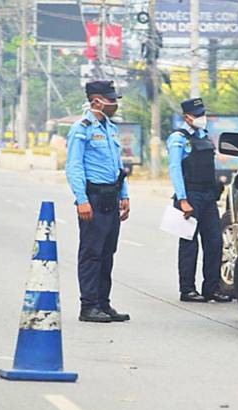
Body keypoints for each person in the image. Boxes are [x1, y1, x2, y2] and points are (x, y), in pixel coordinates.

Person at [66, 80, 131, 323]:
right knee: (91, 253)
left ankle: (104, 303)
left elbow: (118, 167)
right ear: (96, 101)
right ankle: (89, 305)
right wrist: (82, 200)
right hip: (92, 198)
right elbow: (74, 166)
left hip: (111, 197)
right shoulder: (81, 128)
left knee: (107, 253)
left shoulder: (110, 128)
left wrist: (124, 195)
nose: (114, 104)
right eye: (111, 100)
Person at [166, 98, 232, 303]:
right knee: (189, 244)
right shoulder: (178, 138)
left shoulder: (204, 136)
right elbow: (175, 169)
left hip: (208, 196)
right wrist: (183, 199)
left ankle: (211, 288)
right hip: (190, 196)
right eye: (198, 115)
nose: (202, 118)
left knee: (214, 242)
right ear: (187, 117)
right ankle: (187, 289)